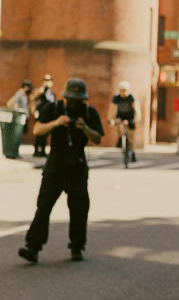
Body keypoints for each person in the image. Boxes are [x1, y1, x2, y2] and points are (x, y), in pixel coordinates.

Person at [18, 78, 103, 264]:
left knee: (79, 210)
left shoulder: (89, 112)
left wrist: (84, 127)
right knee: (43, 207)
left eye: (78, 100)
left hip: (77, 168)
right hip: (54, 167)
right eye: (71, 99)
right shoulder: (54, 108)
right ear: (65, 96)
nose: (74, 103)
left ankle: (77, 247)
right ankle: (32, 247)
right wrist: (57, 122)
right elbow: (38, 129)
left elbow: (97, 138)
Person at [108, 80, 141, 162]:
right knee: (118, 123)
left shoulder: (131, 97)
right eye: (121, 91)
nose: (123, 93)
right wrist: (110, 119)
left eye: (125, 91)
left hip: (130, 116)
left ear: (128, 90)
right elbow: (111, 109)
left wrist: (138, 118)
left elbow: (137, 108)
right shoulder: (116, 97)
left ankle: (133, 153)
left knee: (131, 137)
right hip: (121, 116)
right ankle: (120, 138)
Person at [32, 76, 56, 157]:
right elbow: (34, 99)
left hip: (48, 116)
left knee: (45, 134)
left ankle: (42, 150)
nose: (48, 82)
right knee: (39, 134)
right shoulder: (41, 91)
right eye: (46, 80)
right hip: (41, 115)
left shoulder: (52, 93)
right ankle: (36, 151)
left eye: (49, 80)